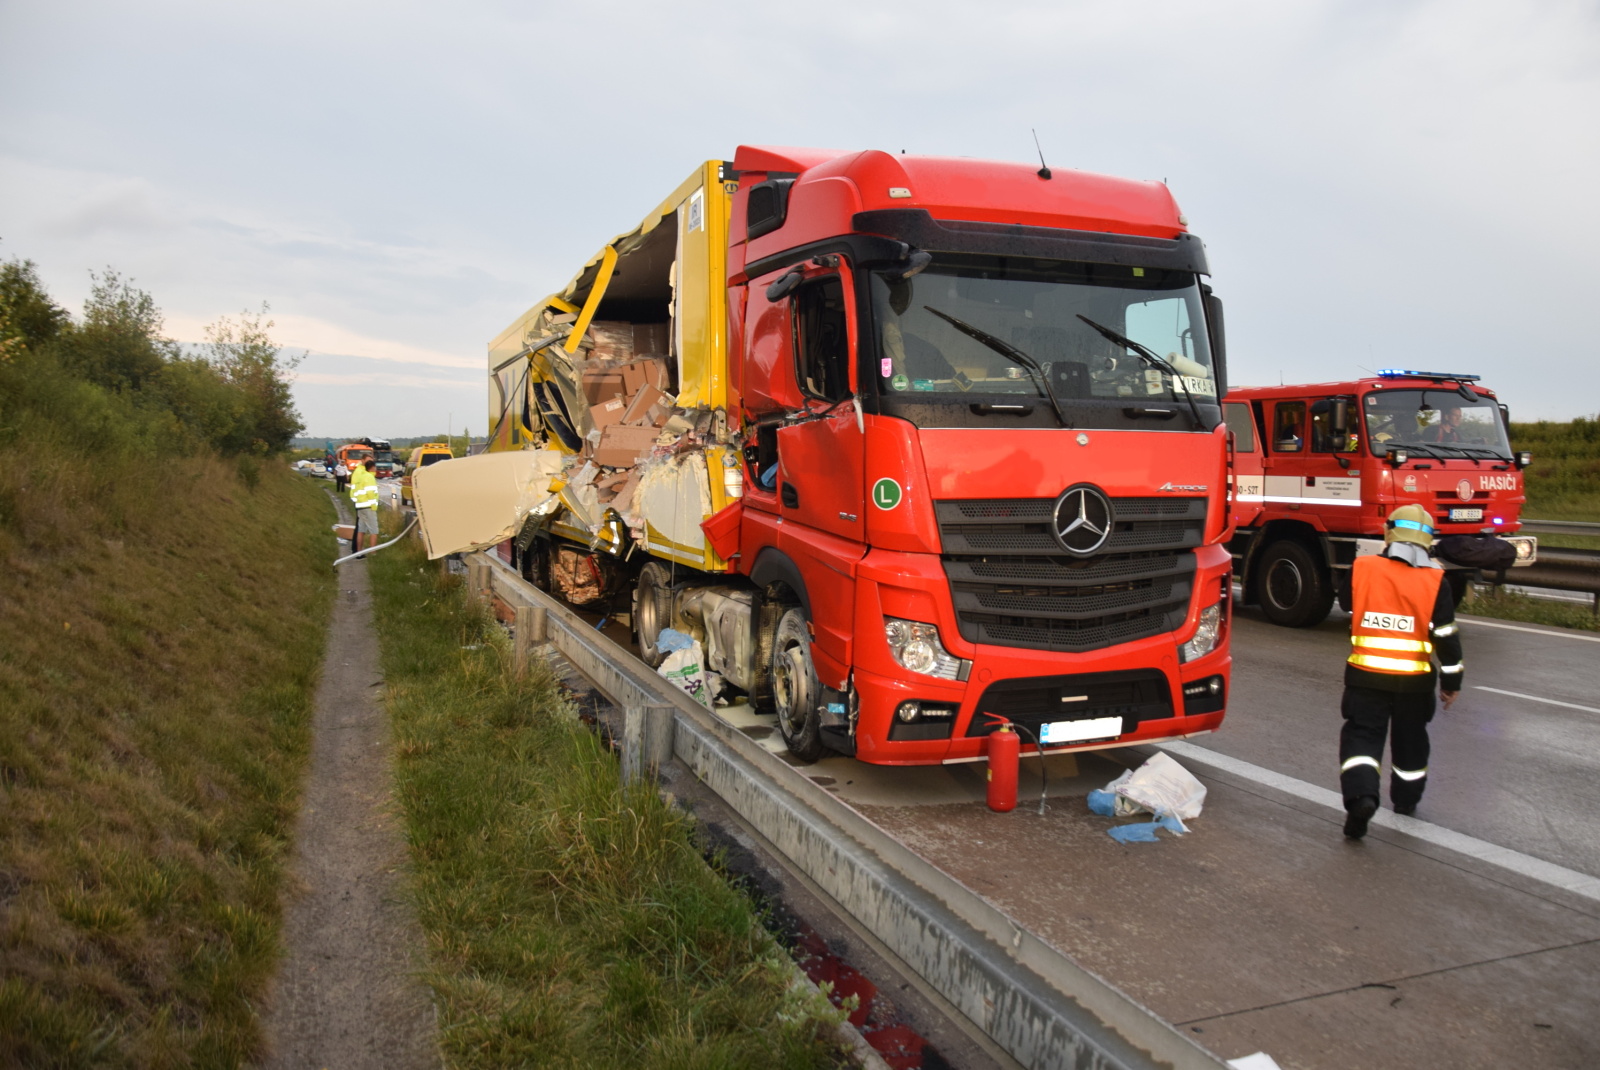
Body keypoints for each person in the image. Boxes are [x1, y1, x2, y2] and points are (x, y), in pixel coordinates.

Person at [1338, 503, 1464, 838]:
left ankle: (1362, 798)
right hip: (1415, 684)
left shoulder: (1362, 568)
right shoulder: (1436, 581)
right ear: (1428, 539)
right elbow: (1446, 637)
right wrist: (1451, 681)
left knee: (1362, 738)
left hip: (1366, 678)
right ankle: (1406, 801)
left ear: (1388, 533)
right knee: (1411, 742)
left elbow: (1347, 604)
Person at [349, 458, 380, 552]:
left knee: (361, 530)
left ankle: (358, 552)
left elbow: (355, 491)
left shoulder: (361, 476)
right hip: (368, 506)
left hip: (360, 506)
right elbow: (370, 493)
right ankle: (373, 552)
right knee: (374, 531)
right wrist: (374, 505)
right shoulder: (369, 477)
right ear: (372, 468)